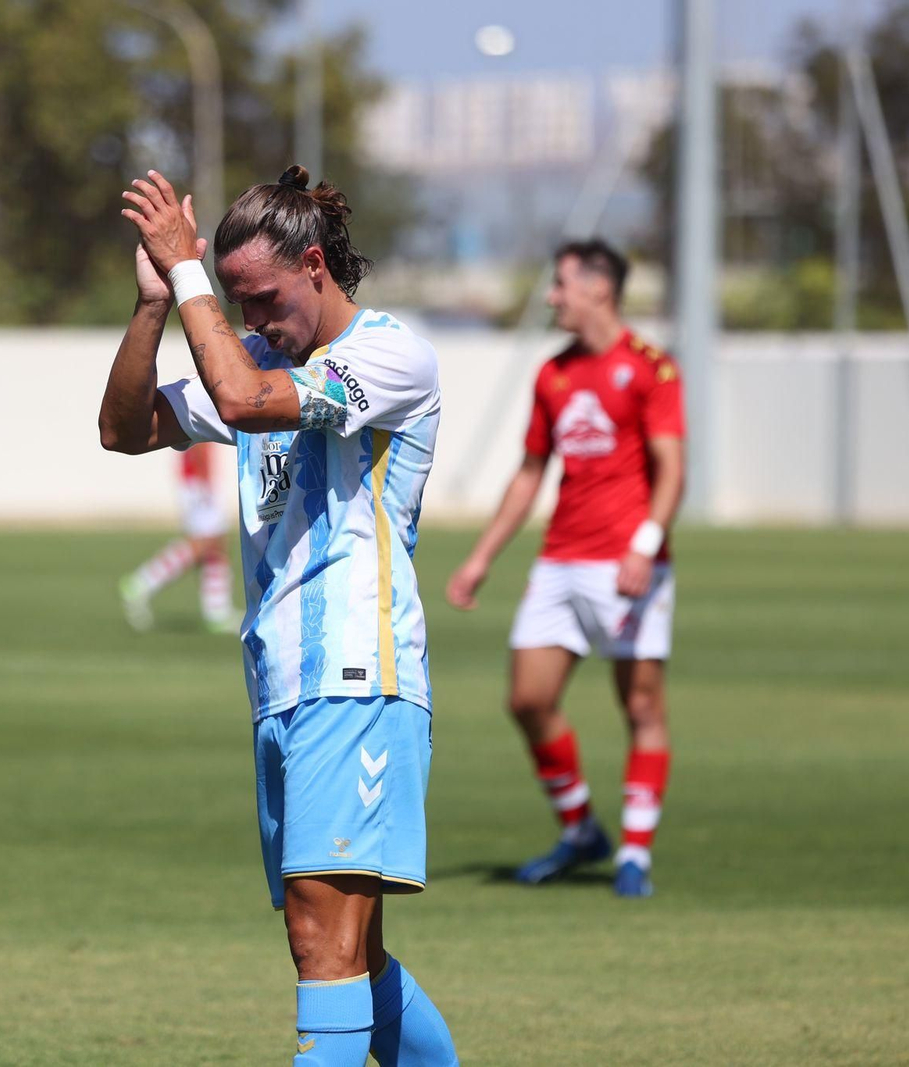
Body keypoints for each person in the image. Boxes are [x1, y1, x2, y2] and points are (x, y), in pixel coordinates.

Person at [101, 166, 458, 1065]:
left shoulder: (390, 355)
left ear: (314, 265)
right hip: (281, 685)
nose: (252, 319)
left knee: (320, 943)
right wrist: (154, 303)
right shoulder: (257, 356)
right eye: (238, 303)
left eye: (262, 298)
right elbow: (125, 429)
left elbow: (243, 401)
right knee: (346, 953)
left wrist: (189, 272)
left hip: (357, 673)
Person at [444, 238, 686, 899]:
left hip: (629, 565)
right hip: (560, 560)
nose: (552, 296)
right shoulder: (552, 373)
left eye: (561, 284)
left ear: (598, 289)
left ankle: (635, 852)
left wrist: (645, 544)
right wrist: (481, 558)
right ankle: (580, 830)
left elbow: (672, 469)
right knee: (527, 700)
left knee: (641, 704)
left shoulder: (651, 368)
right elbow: (530, 474)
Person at [118, 441, 238, 633]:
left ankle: (217, 612)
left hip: (197, 480)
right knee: (204, 543)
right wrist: (205, 481)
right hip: (199, 483)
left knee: (216, 545)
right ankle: (140, 583)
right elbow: (201, 442)